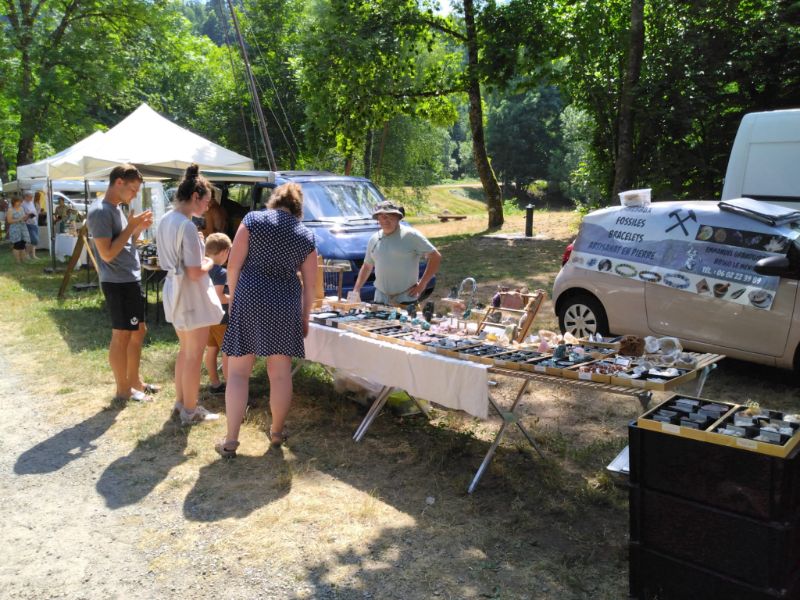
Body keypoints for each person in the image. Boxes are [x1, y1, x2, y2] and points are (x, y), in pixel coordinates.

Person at [216, 183, 317, 457]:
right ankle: (276, 433)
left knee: (238, 373)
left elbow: (234, 265)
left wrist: (235, 299)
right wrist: (305, 316)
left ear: (273, 201)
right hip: (285, 304)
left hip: (249, 296)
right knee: (281, 374)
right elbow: (311, 286)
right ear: (298, 209)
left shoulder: (252, 220)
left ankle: (231, 440)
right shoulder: (305, 235)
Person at [157, 164, 224, 425]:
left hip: (175, 290)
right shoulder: (185, 225)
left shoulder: (167, 219)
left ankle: (182, 403)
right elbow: (196, 272)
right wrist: (212, 260)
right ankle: (190, 409)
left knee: (185, 351)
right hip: (189, 294)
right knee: (193, 355)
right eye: (206, 201)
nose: (208, 207)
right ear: (195, 197)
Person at [87, 164, 158, 403]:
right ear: (119, 182)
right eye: (133, 189)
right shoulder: (100, 212)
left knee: (138, 330)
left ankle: (135, 382)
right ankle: (123, 390)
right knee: (122, 335)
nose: (135, 194)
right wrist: (130, 227)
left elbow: (124, 244)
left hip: (130, 278)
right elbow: (107, 254)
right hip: (117, 282)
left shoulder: (116, 208)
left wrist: (137, 230)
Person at [353, 200, 441, 305]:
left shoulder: (410, 235)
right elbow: (367, 266)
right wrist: (356, 290)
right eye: (382, 216)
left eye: (391, 216)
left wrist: (423, 284)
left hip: (406, 300)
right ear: (378, 219)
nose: (386, 220)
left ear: (398, 218)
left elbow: (436, 256)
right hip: (380, 300)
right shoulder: (374, 239)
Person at [203, 232, 232, 394]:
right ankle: (230, 386)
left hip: (206, 317)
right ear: (223, 252)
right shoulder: (221, 272)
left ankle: (215, 383)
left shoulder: (203, 267)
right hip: (221, 318)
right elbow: (219, 296)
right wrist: (233, 298)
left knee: (211, 349)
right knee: (227, 353)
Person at [6, 196, 31, 263]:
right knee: (17, 244)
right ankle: (18, 260)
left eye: (20, 202)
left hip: (23, 228)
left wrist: (27, 217)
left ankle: (23, 259)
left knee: (23, 244)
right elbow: (9, 221)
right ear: (14, 202)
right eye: (18, 202)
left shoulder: (21, 208)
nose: (20, 203)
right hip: (15, 229)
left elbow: (23, 219)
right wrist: (19, 219)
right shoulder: (10, 209)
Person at [21, 191, 39, 260]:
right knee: (33, 240)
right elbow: (22, 215)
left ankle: (33, 255)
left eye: (32, 197)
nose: (32, 198)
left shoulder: (31, 202)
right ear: (26, 197)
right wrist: (29, 215)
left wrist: (34, 213)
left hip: (34, 223)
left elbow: (34, 211)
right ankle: (27, 254)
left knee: (34, 241)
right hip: (28, 223)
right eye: (30, 197)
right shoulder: (23, 204)